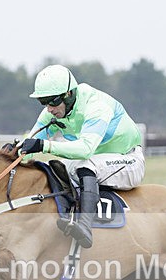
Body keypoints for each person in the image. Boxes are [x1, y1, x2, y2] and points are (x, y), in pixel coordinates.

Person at [19, 64, 144, 248]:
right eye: (43, 102)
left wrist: (44, 146)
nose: (49, 109)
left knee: (85, 166)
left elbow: (85, 149)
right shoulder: (53, 110)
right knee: (56, 168)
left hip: (128, 160)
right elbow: (31, 141)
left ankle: (85, 226)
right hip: (95, 159)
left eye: (52, 101)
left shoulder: (96, 105)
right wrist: (13, 150)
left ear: (68, 94)